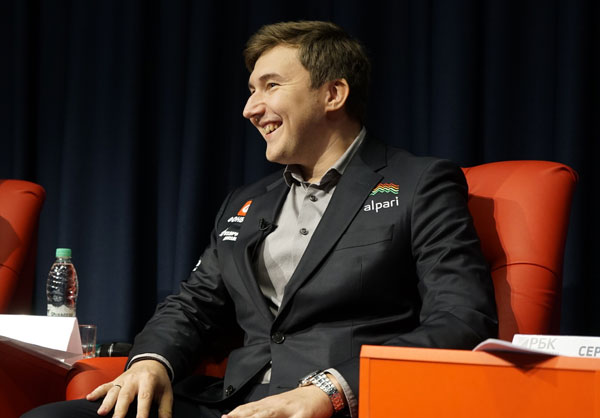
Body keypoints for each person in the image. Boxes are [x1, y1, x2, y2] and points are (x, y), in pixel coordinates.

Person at [25, 20, 497, 418]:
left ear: (333, 94)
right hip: (232, 403)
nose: (250, 109)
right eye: (251, 91)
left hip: (336, 407)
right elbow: (194, 305)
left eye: (271, 86)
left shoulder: (418, 183)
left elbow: (461, 320)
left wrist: (330, 391)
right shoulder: (246, 202)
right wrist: (152, 361)